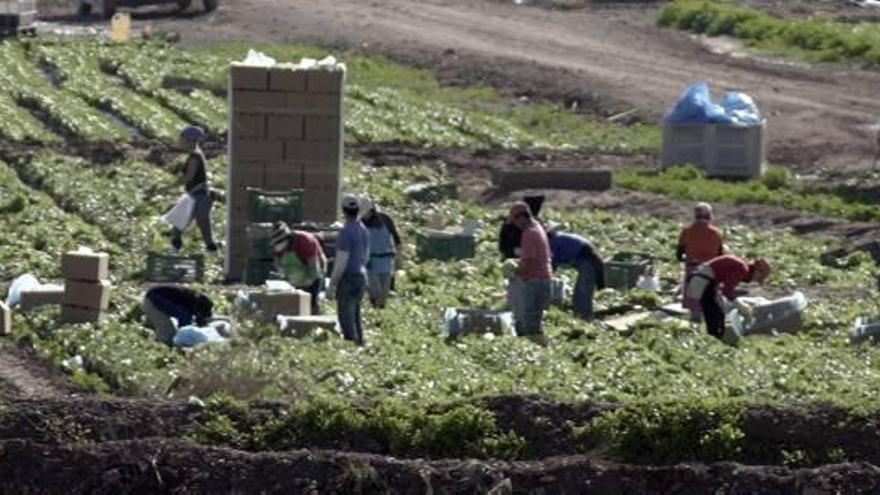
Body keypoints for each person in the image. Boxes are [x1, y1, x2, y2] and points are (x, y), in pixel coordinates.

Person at [685, 255, 771, 340]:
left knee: (717, 310)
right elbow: (727, 290)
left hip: (703, 279)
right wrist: (740, 305)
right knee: (715, 312)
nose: (754, 280)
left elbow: (726, 287)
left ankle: (711, 336)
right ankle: (714, 338)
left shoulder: (741, 266)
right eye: (758, 278)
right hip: (704, 280)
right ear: (757, 271)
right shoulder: (742, 269)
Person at [328, 196, 369, 345]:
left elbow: (341, 261)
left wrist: (332, 284)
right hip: (361, 276)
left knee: (346, 316)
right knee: (356, 313)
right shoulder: (362, 229)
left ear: (343, 211)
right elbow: (366, 255)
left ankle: (350, 346)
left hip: (348, 278)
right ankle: (360, 343)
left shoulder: (345, 232)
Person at [508, 202, 552, 339]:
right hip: (543, 278)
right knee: (535, 320)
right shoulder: (538, 227)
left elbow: (529, 263)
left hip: (534, 281)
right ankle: (538, 347)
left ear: (521, 217)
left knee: (529, 323)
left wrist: (514, 272)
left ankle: (536, 349)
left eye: (515, 220)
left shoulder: (529, 233)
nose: (515, 224)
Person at [172, 125, 217, 253]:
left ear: (190, 141)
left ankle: (175, 249)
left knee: (182, 222)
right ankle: (210, 250)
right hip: (198, 195)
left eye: (183, 140)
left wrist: (171, 186)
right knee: (200, 225)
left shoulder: (195, 157)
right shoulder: (196, 154)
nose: (181, 143)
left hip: (198, 196)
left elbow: (189, 177)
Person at [546, 225, 605, 320]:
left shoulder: (551, 243)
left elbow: (549, 265)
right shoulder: (556, 238)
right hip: (587, 259)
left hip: (589, 261)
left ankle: (585, 318)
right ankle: (580, 316)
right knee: (579, 293)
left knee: (583, 293)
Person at [677, 202, 724, 320]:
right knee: (710, 293)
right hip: (710, 267)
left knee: (694, 294)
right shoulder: (716, 233)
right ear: (709, 215)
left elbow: (679, 252)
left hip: (693, 266)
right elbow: (720, 253)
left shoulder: (687, 231)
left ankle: (695, 319)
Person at [271, 222, 328, 315]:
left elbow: (314, 268)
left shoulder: (305, 241)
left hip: (313, 275)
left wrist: (308, 283)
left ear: (287, 238)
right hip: (296, 278)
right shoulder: (277, 246)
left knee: (311, 303)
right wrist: (282, 273)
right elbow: (277, 262)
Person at [360, 198, 402, 309]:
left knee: (384, 291)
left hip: (387, 259)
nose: (364, 215)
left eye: (366, 212)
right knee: (374, 290)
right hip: (370, 261)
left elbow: (397, 239)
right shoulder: (360, 223)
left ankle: (381, 312)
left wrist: (399, 258)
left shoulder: (385, 219)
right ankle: (375, 307)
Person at [143, 286, 213, 346]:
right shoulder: (187, 304)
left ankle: (150, 338)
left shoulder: (191, 299)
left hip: (155, 297)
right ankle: (157, 348)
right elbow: (185, 329)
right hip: (153, 300)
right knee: (169, 336)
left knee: (168, 331)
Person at [498, 195, 544, 260]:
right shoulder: (508, 226)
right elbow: (502, 247)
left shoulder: (534, 229)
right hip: (512, 257)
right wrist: (515, 251)